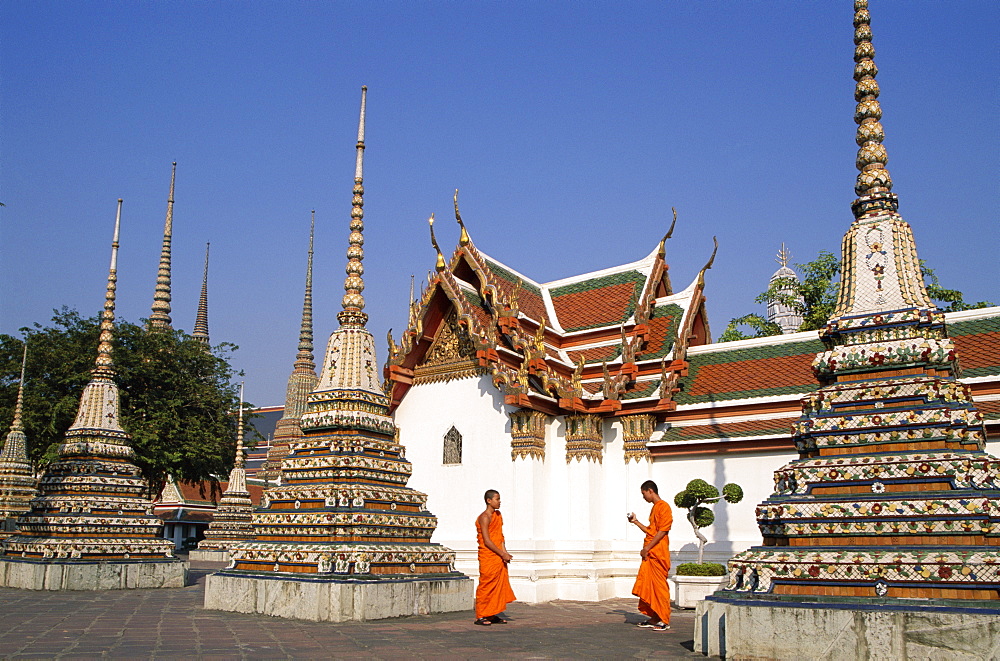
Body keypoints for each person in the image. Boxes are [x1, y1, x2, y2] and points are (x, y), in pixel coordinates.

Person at [627, 479, 673, 631]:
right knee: (649, 586)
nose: (643, 497)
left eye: (643, 493)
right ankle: (655, 616)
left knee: (659, 587)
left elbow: (662, 531)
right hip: (651, 554)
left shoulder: (664, 507)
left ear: (650, 491)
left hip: (658, 553)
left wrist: (647, 548)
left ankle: (664, 619)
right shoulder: (655, 508)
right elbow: (651, 531)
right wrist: (636, 522)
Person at [474, 489, 515, 626]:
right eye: (497, 499)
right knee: (486, 584)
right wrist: (502, 553)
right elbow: (487, 540)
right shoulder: (484, 517)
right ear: (489, 501)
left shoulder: (498, 515)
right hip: (488, 555)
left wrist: (505, 553)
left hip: (497, 555)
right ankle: (481, 615)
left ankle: (491, 614)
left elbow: (500, 537)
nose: (499, 502)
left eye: (499, 499)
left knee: (496, 586)